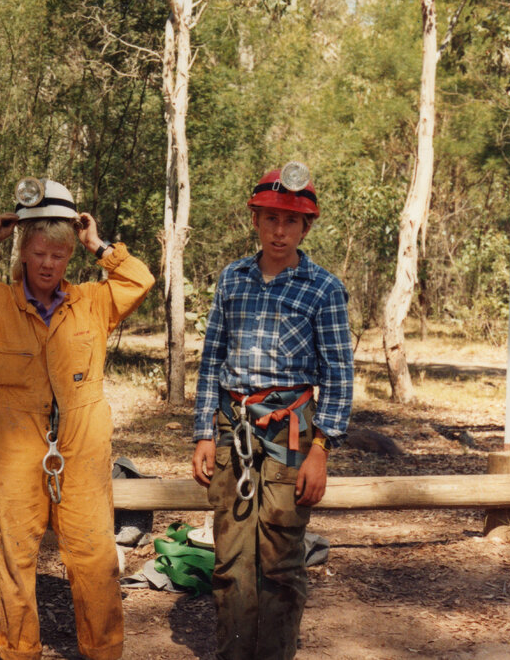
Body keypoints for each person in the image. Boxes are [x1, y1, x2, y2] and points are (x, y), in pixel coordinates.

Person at [0, 178, 154, 660]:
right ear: (22, 252)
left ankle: (103, 652)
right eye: (38, 252)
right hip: (12, 458)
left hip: (81, 457)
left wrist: (97, 244)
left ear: (69, 258)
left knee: (96, 561)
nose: (47, 264)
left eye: (58, 255)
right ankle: (18, 652)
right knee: (15, 562)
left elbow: (139, 280)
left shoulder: (95, 303)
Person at [191, 165, 354, 660]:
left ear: (306, 228)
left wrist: (321, 449)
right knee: (230, 558)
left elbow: (340, 376)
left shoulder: (323, 288)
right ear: (256, 221)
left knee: (281, 559)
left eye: (291, 221)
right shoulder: (232, 279)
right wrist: (202, 432)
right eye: (270, 219)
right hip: (231, 427)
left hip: (291, 431)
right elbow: (211, 358)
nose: (279, 231)